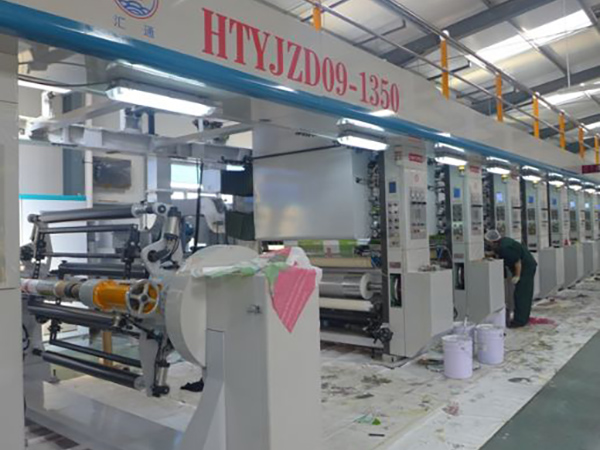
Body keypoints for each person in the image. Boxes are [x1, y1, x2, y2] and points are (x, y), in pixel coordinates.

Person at [484, 229, 538, 328]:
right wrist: (489, 254)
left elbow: (517, 262)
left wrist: (517, 276)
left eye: (488, 242)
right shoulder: (503, 243)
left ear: (492, 241)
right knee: (523, 294)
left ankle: (519, 321)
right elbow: (499, 252)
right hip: (527, 266)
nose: (487, 244)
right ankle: (523, 318)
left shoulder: (505, 248)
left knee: (521, 295)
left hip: (526, 269)